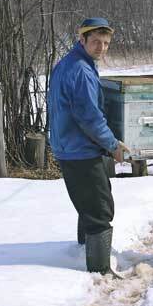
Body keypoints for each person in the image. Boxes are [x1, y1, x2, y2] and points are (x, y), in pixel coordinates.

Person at [47, 17, 129, 275]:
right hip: (79, 149)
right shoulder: (81, 70)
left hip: (69, 146)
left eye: (105, 43)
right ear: (82, 39)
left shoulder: (71, 63)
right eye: (95, 42)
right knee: (99, 209)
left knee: (88, 202)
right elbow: (89, 118)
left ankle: (85, 249)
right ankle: (100, 270)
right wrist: (112, 144)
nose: (101, 48)